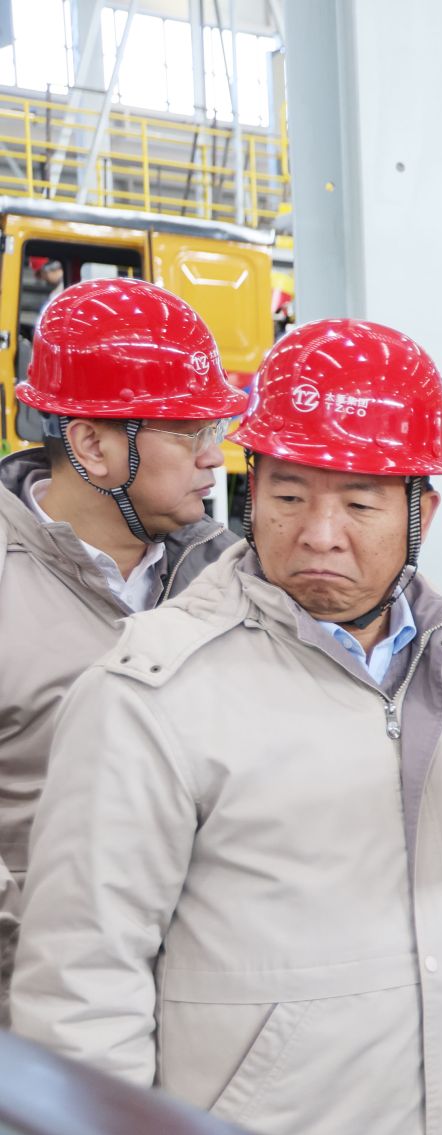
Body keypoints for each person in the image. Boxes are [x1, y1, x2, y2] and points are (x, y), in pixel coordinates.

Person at [11, 319, 442, 1135]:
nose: (320, 534)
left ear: (422, 511)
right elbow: (84, 982)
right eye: (288, 495)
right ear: (250, 493)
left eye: (359, 504)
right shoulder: (153, 691)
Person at [0, 278, 246, 1027]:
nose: (215, 458)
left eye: (214, 430)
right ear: (92, 445)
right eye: (189, 434)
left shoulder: (232, 575)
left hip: (208, 1012)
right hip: (38, 1023)